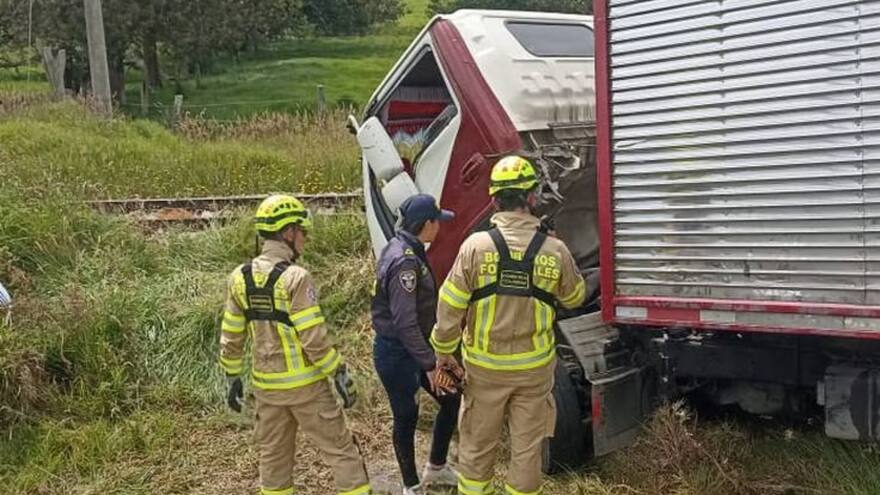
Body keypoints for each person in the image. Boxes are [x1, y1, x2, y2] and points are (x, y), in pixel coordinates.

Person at [430, 156, 588, 495]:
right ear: (532, 198)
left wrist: (444, 353)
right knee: (527, 452)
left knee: (476, 447)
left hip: (484, 370)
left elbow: (450, 307)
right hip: (534, 372)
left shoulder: (475, 247)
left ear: (494, 199)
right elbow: (575, 297)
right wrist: (557, 250)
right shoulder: (554, 250)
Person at [219, 194, 371, 495]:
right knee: (342, 452)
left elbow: (231, 334)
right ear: (288, 232)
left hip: (267, 390)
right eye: (302, 231)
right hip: (307, 388)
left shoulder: (239, 277)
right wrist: (338, 372)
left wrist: (232, 375)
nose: (305, 237)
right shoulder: (296, 278)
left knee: (273, 461)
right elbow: (313, 340)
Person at [371, 194, 461, 495]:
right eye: (438, 221)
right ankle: (411, 486)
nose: (441, 227)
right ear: (428, 224)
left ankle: (436, 467)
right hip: (398, 353)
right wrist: (431, 363)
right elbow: (404, 322)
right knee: (406, 414)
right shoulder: (405, 262)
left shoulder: (404, 246)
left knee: (450, 398)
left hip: (417, 347)